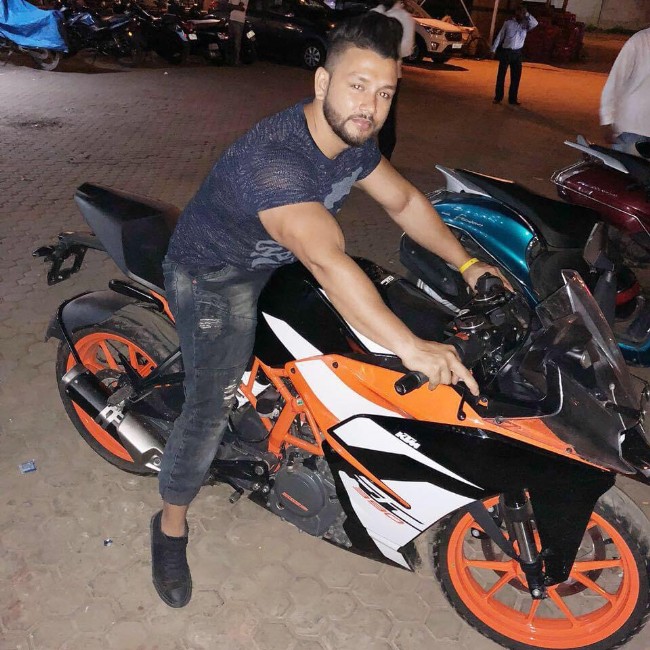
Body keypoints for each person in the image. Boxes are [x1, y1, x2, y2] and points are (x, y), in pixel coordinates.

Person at [151, 11, 508, 609]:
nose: (370, 106)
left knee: (347, 342)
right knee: (209, 407)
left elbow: (404, 200)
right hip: (213, 274)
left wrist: (468, 265)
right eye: (357, 86)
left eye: (385, 93)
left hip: (278, 259)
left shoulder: (352, 140)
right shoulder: (276, 160)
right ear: (322, 82)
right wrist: (412, 348)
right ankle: (169, 526)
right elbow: (326, 261)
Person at [371, 1, 415, 160]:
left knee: (386, 117)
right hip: (369, 72)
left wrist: (385, 47)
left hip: (390, 75)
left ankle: (384, 157)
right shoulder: (375, 12)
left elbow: (407, 49)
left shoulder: (404, 17)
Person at [600, 27, 650, 157]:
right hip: (633, 129)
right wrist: (608, 118)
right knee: (627, 169)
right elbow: (616, 80)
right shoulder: (640, 41)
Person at [491, 4, 538, 106]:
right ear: (515, 13)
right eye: (519, 12)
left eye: (522, 12)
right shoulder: (508, 23)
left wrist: (527, 14)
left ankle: (512, 99)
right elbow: (500, 36)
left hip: (517, 53)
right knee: (501, 76)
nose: (520, 14)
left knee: (516, 77)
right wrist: (494, 49)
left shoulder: (525, 25)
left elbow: (535, 23)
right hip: (506, 52)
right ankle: (498, 97)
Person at [228, 0, 246, 65]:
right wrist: (237, 7)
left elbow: (241, 7)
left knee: (236, 41)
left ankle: (235, 60)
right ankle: (232, 59)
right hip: (233, 19)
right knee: (232, 40)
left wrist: (234, 7)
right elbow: (229, 6)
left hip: (239, 20)